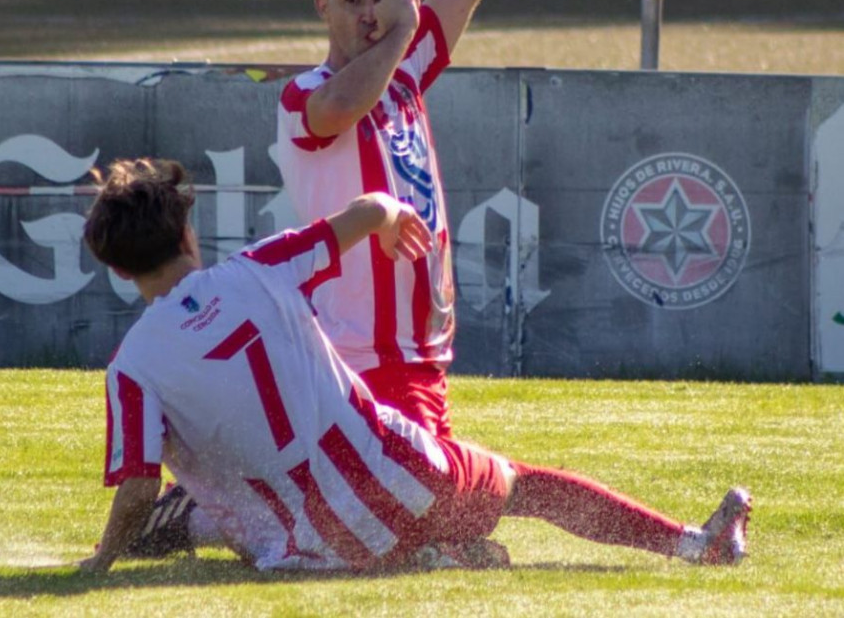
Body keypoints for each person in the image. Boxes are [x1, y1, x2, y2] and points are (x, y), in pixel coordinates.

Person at [77, 157, 751, 573]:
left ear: (115, 267)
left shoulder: (131, 365)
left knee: (215, 509)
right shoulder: (259, 268)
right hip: (404, 476)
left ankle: (433, 556)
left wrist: (100, 560)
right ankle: (694, 544)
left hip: (312, 548)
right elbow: (368, 207)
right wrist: (393, 217)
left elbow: (136, 486)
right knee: (523, 487)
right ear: (189, 233)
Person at [276, 0, 519, 440]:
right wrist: (399, 31)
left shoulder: (406, 71)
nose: (368, 13)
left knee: (421, 520)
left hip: (421, 349)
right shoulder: (303, 94)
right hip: (353, 355)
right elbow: (338, 112)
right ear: (321, 8)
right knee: (424, 516)